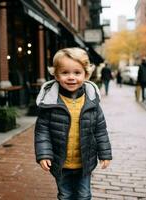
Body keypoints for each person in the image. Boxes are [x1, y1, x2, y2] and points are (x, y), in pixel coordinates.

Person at [34, 47, 112, 200]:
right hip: (61, 163)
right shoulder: (50, 102)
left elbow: (100, 130)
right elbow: (42, 132)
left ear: (86, 74)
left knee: (84, 195)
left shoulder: (92, 102)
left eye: (77, 73)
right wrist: (44, 154)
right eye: (65, 73)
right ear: (56, 75)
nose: (71, 77)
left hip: (85, 162)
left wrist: (105, 153)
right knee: (65, 195)